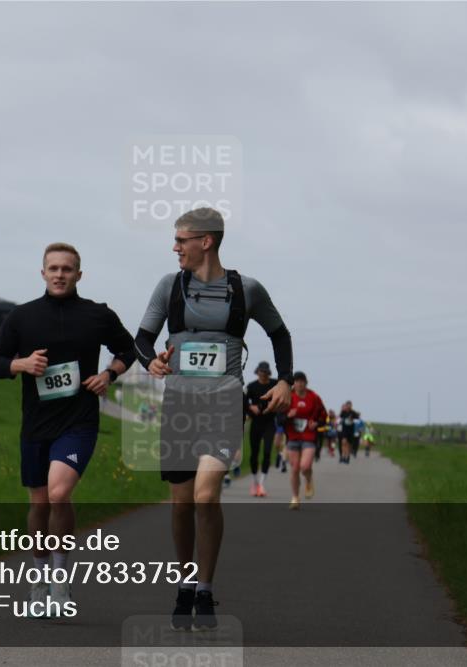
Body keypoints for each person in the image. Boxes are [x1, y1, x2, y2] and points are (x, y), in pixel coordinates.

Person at [135, 208, 293, 631]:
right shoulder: (170, 286)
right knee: (182, 503)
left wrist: (285, 382)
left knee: (206, 496)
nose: (175, 248)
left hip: (224, 403)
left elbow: (280, 333)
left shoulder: (247, 289)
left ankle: (204, 588)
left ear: (206, 241)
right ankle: (185, 585)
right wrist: (151, 362)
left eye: (181, 240)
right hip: (180, 407)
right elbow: (142, 339)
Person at [0, 242, 136, 617]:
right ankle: (38, 580)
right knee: (39, 503)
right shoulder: (22, 316)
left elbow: (129, 349)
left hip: (79, 421)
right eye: (53, 268)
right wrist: (22, 364)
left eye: (67, 269)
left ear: (78, 275)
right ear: (42, 273)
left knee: (58, 492)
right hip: (36, 424)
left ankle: (61, 581)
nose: (60, 274)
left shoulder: (97, 315)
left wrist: (108, 374)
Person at [284, 372, 327, 510]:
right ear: (293, 383)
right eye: (297, 381)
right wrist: (288, 416)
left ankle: (308, 479)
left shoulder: (314, 397)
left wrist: (317, 423)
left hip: (309, 436)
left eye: (302, 381)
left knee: (305, 466)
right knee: (295, 469)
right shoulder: (288, 397)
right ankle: (295, 497)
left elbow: (323, 415)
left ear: (306, 383)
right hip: (293, 437)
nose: (300, 384)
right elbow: (279, 419)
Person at [245, 361, 278, 497]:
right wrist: (250, 408)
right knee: (254, 453)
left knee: (267, 452)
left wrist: (274, 402)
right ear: (257, 371)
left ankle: (262, 484)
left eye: (265, 372)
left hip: (270, 422)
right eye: (261, 371)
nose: (263, 374)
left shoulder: (274, 384)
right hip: (256, 422)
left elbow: (283, 395)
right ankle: (254, 482)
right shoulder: (251, 386)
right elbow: (242, 400)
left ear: (268, 372)